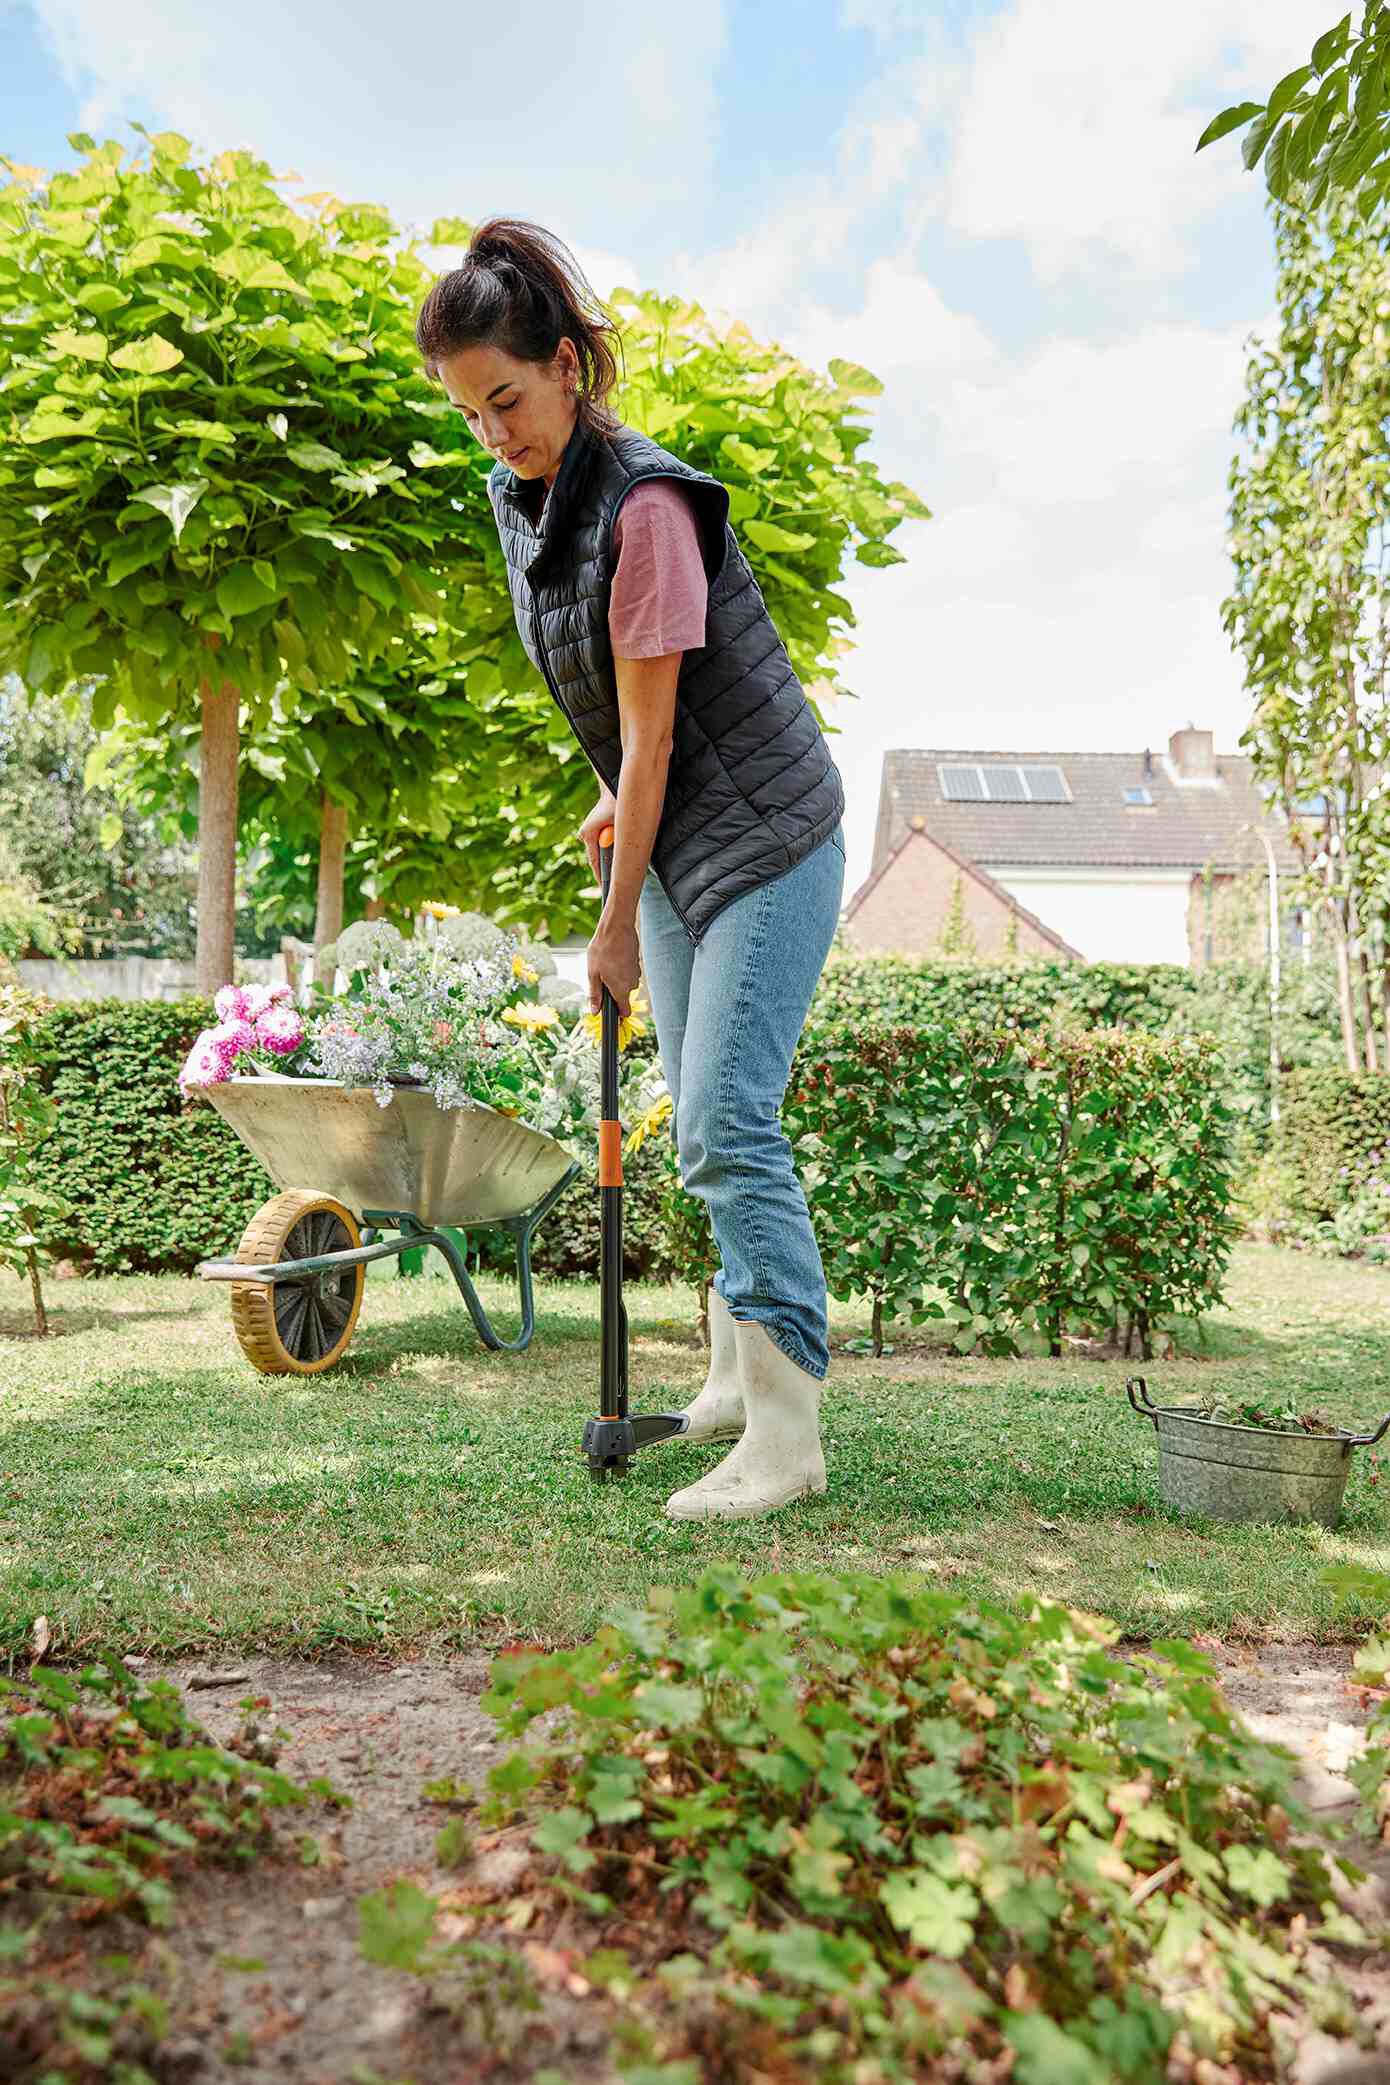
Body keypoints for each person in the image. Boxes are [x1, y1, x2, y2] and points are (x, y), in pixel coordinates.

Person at [414, 218, 846, 1521]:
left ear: (565, 367)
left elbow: (660, 728)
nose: (496, 434)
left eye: (508, 401)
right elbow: (622, 707)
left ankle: (787, 1433)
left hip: (768, 837)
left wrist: (608, 923)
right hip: (672, 824)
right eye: (470, 415)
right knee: (703, 1114)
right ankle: (727, 1379)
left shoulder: (647, 507)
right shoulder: (520, 496)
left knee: (725, 1119)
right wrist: (615, 801)